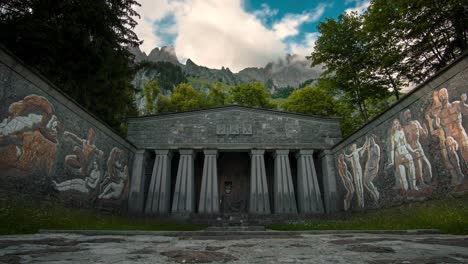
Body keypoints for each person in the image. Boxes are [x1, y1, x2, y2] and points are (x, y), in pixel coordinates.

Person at [402, 109, 432, 186]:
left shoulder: (416, 123)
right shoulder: (404, 129)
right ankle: (421, 182)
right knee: (418, 165)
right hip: (411, 148)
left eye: (408, 114)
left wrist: (425, 128)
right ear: (403, 117)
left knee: (426, 164)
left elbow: (423, 134)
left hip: (418, 146)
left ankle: (428, 180)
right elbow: (405, 143)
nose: (407, 116)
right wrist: (411, 150)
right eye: (405, 115)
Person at [388, 119, 418, 192]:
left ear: (399, 124)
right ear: (392, 126)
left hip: (406, 153)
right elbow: (392, 149)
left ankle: (414, 187)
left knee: (412, 171)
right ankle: (406, 192)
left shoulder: (402, 131)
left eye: (397, 123)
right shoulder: (392, 136)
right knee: (402, 176)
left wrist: (413, 151)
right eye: (394, 124)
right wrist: (392, 161)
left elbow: (406, 144)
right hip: (398, 156)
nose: (395, 125)